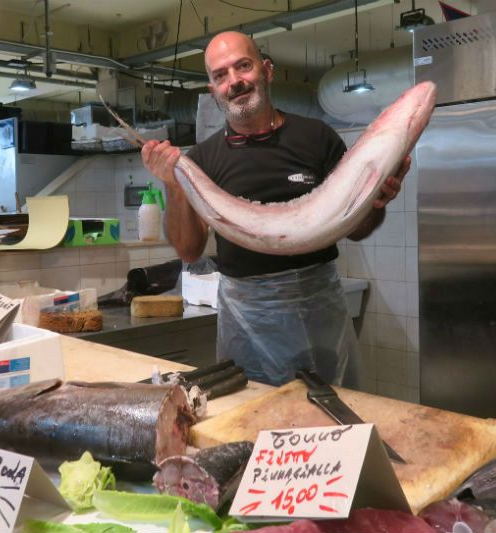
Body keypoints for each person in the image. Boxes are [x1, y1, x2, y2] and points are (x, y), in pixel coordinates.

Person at [142, 31, 409, 388]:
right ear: (213, 90)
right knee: (251, 425)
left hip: (319, 312)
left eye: (243, 66)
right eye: (221, 75)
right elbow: (189, 250)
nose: (234, 81)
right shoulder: (202, 160)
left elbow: (356, 227)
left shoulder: (317, 138)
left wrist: (376, 204)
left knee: (333, 420)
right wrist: (173, 186)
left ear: (266, 70)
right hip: (246, 320)